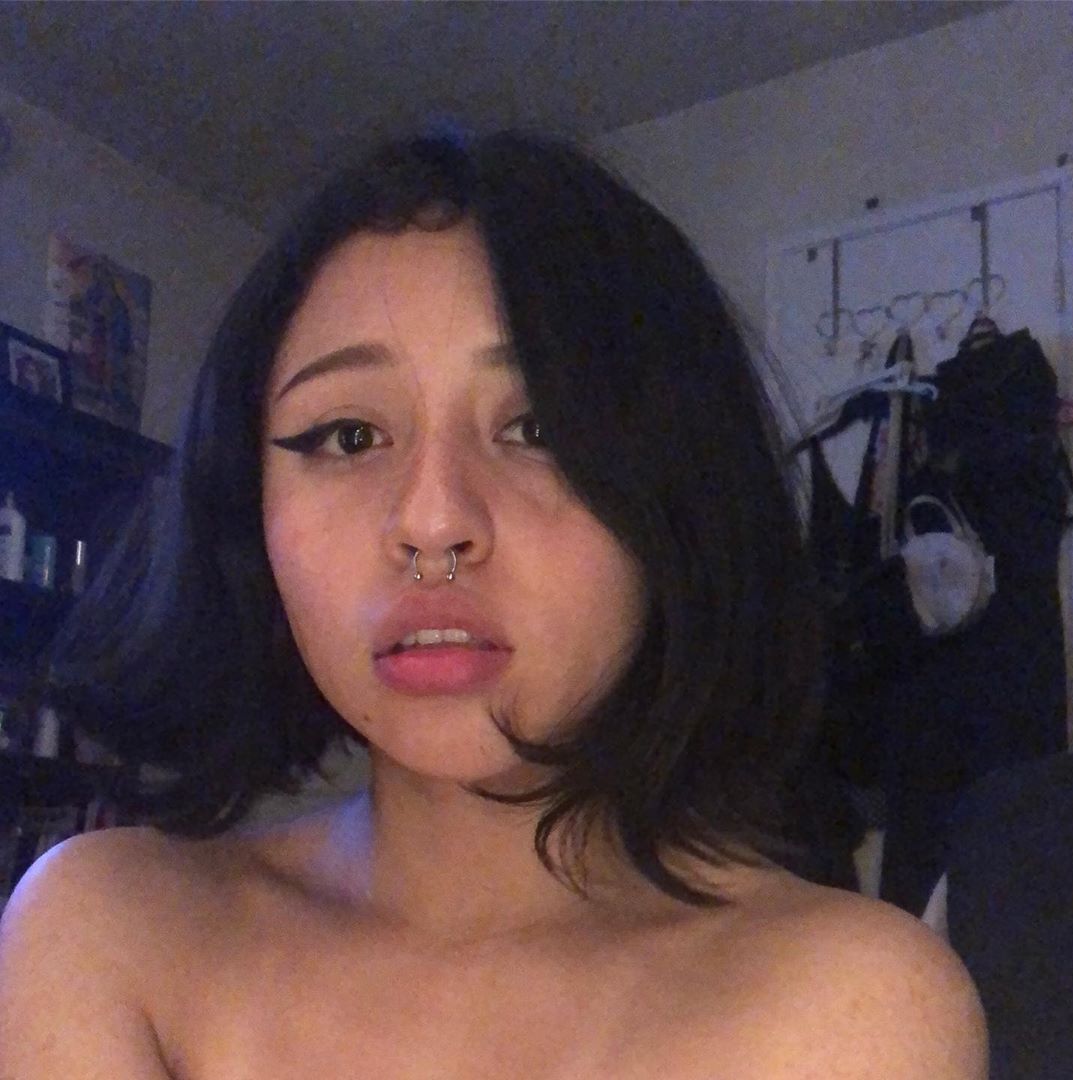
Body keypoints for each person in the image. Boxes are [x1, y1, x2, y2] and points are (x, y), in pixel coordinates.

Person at [0, 131, 986, 1078]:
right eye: (348, 436)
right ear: (246, 506)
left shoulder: (847, 1000)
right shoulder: (108, 929)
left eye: (538, 428)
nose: (433, 523)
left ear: (681, 495)